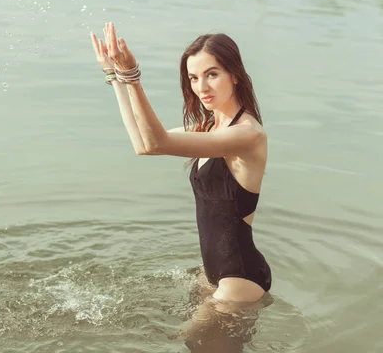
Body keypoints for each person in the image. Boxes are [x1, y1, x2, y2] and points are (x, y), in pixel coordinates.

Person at [89, 22, 272, 304]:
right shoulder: (207, 128)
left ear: (234, 75)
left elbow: (156, 142)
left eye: (212, 74)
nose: (202, 87)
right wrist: (115, 77)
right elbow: (142, 145)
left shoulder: (247, 135)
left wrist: (132, 77)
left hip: (239, 280)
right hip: (212, 275)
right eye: (194, 78)